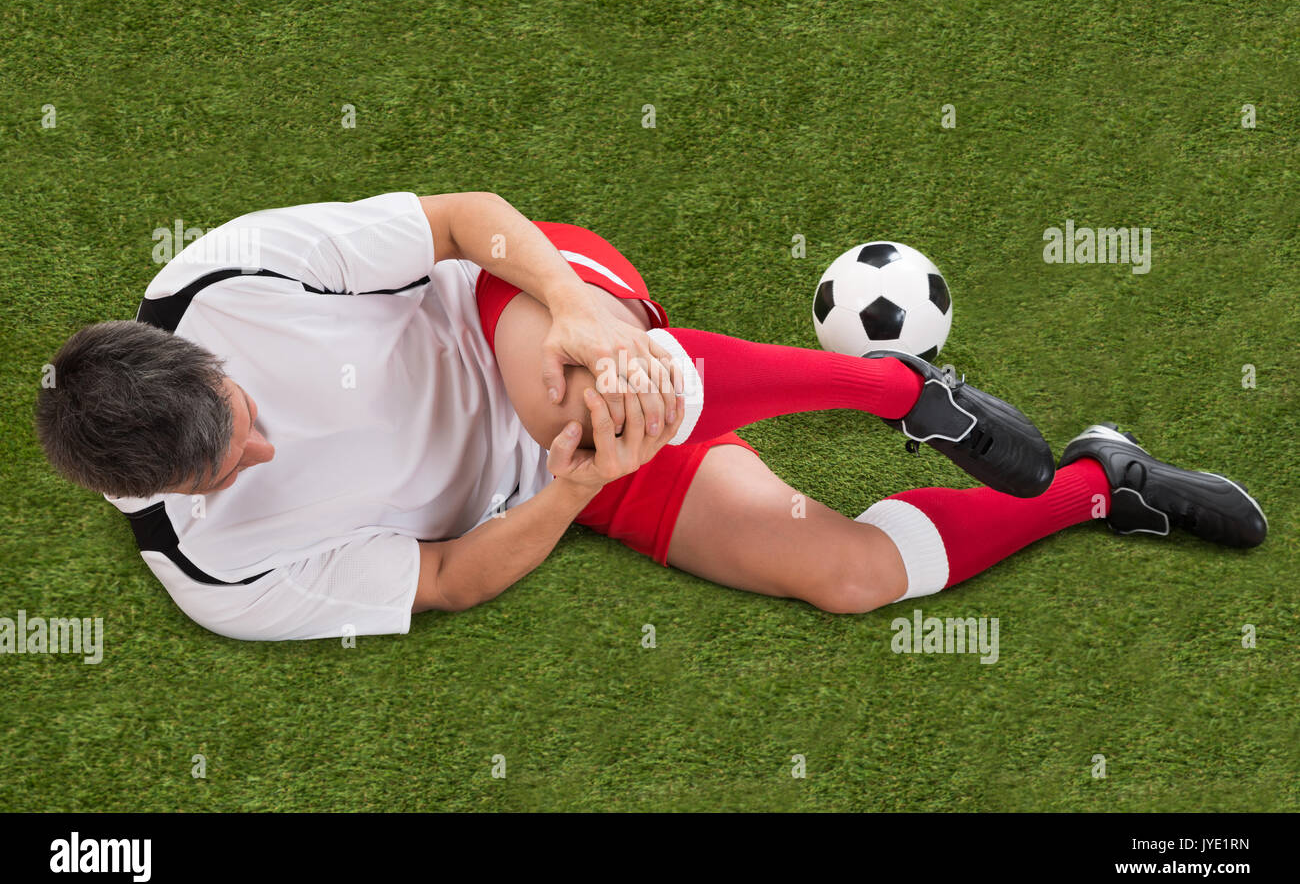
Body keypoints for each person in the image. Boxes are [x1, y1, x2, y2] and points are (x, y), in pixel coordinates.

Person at [35, 191, 1267, 641]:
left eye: (244, 415)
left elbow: (466, 220)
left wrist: (569, 305)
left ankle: (900, 391)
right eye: (229, 471)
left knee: (583, 382)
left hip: (519, 313)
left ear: (192, 356)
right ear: (134, 493)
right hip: (560, 478)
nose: (262, 450)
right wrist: (570, 489)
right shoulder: (215, 575)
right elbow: (454, 577)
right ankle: (1104, 482)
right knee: (843, 578)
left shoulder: (222, 277)